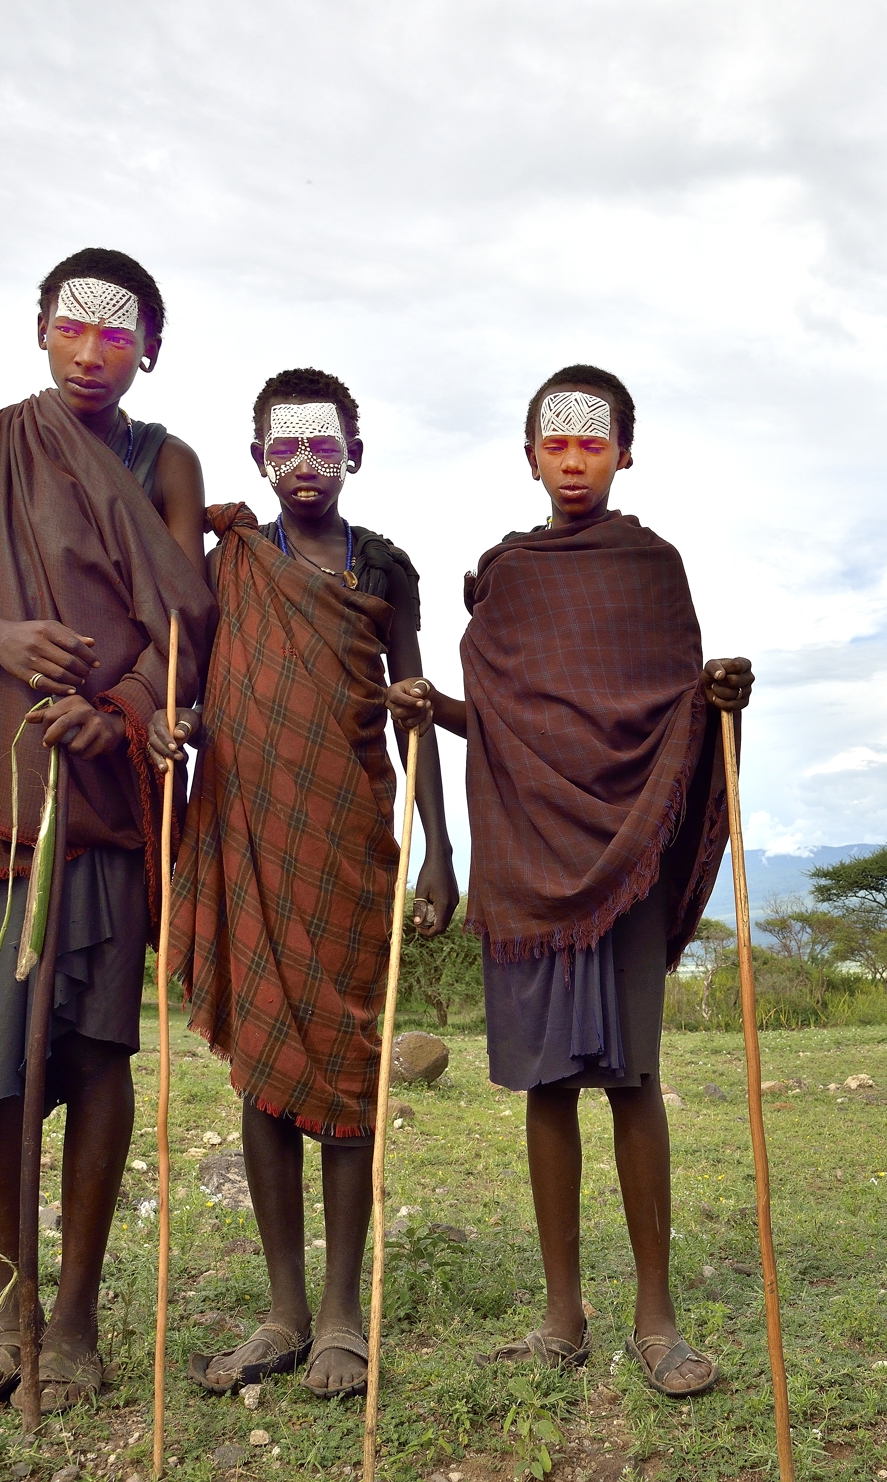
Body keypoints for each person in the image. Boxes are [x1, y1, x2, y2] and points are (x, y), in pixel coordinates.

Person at [387, 364, 754, 1398]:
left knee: (631, 1078)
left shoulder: (652, 569)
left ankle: (656, 1316)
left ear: (625, 452)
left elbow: (669, 711)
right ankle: (562, 1316)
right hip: (526, 853)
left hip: (626, 854)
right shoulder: (509, 576)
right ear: (529, 456)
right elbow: (506, 721)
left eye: (593, 441)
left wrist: (718, 698)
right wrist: (431, 707)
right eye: (556, 443)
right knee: (546, 1084)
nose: (574, 460)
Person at [0, 247, 216, 1412]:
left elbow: (187, 623)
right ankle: (10, 1317)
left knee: (95, 1046)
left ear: (149, 351)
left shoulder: (167, 463)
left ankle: (74, 1321)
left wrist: (117, 705)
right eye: (72, 329)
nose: (90, 354)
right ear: (39, 329)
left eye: (116, 335)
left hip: (110, 777)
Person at [150, 368, 459, 1400]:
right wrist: (173, 723)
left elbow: (414, 713)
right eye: (285, 448)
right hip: (247, 831)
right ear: (258, 459)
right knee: (264, 1066)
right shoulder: (229, 562)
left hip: (346, 839)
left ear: (354, 455)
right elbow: (196, 684)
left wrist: (441, 848)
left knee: (346, 1066)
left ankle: (339, 1314)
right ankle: (282, 1311)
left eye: (324, 446)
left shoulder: (387, 569)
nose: (304, 465)